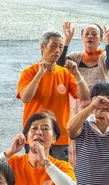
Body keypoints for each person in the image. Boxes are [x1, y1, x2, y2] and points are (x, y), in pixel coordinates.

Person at [17, 30, 90, 161]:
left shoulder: (65, 73)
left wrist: (77, 74)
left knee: (59, 176)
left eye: (61, 47)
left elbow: (84, 95)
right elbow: (25, 97)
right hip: (35, 135)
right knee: (36, 174)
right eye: (54, 46)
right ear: (43, 47)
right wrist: (39, 74)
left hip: (59, 136)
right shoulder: (29, 72)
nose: (57, 50)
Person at [57, 21, 109, 167]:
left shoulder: (102, 57)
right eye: (87, 34)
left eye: (94, 34)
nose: (90, 37)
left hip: (99, 106)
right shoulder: (75, 56)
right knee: (76, 140)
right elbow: (60, 64)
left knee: (98, 136)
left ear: (100, 39)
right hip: (77, 105)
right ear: (82, 38)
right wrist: (66, 41)